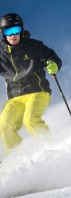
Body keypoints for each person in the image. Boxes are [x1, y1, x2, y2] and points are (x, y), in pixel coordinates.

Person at [0, 13, 62, 153]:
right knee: (4, 126)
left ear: (21, 30)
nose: (13, 35)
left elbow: (52, 58)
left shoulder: (34, 46)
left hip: (37, 91)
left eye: (16, 30)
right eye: (8, 31)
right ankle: (20, 157)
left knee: (30, 120)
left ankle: (52, 152)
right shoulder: (1, 53)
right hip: (15, 98)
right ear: (2, 34)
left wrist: (52, 64)